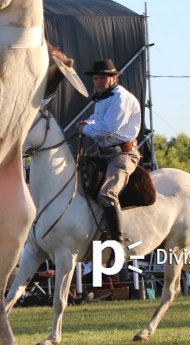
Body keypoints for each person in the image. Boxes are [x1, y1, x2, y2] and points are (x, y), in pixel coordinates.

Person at [76, 59, 141, 244]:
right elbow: (97, 119)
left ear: (113, 78)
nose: (97, 82)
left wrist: (84, 128)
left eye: (101, 78)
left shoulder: (120, 98)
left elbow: (108, 128)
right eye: (95, 78)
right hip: (104, 154)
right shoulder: (103, 98)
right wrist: (87, 122)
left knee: (107, 194)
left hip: (122, 155)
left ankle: (117, 243)